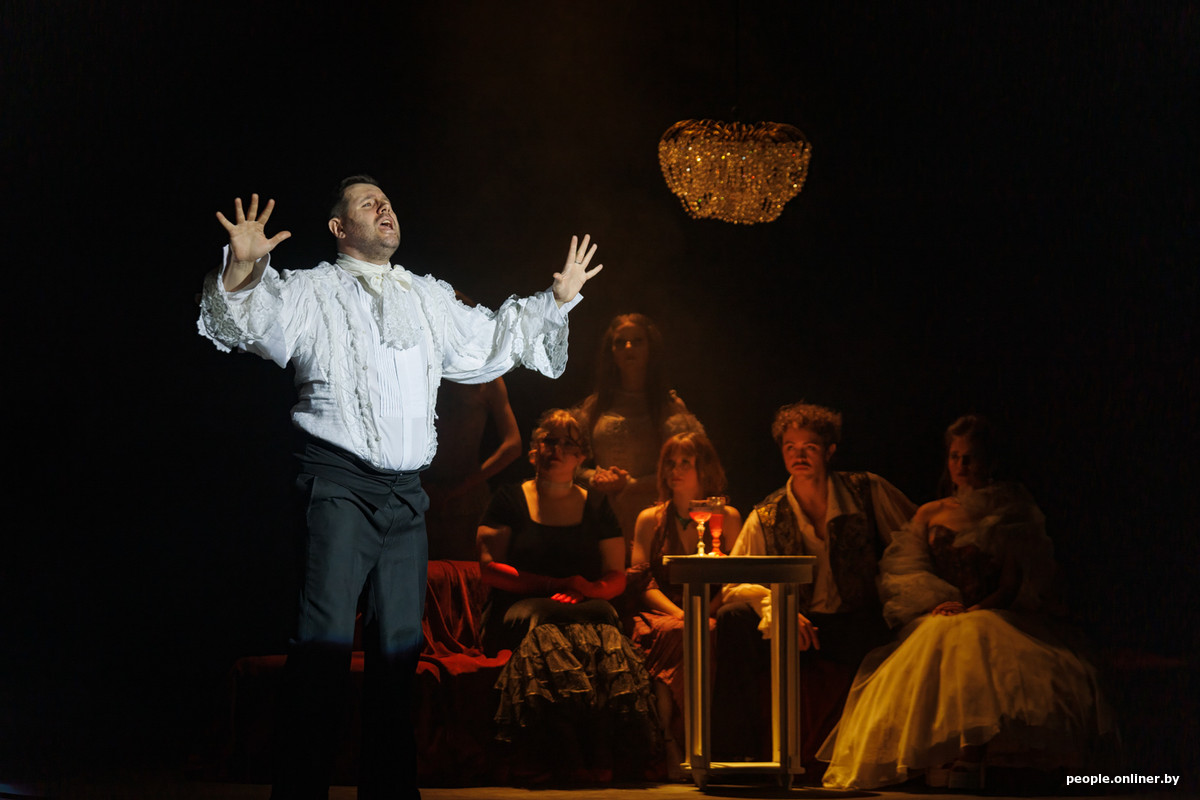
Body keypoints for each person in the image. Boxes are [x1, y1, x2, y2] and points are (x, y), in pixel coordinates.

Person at [196, 177, 603, 800]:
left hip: (406, 497)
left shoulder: (425, 295)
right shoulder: (311, 290)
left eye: (386, 201)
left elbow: (489, 342)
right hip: (337, 485)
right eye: (368, 203)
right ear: (338, 228)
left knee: (398, 652)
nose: (384, 207)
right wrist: (242, 268)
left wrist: (556, 301)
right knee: (323, 647)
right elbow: (248, 323)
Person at [818, 415, 1116, 790]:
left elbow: (1011, 582)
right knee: (937, 645)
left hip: (994, 611)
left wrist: (976, 609)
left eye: (970, 457)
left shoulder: (1011, 511)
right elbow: (909, 569)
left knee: (975, 641)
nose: (961, 465)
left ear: (989, 461)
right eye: (955, 456)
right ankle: (937, 754)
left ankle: (971, 753)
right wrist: (937, 602)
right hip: (944, 612)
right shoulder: (931, 512)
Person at [713, 402, 916, 767]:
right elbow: (733, 582)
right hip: (798, 628)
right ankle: (733, 751)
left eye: (809, 447)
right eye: (790, 447)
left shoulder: (865, 491)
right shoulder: (767, 515)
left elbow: (914, 539)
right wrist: (777, 608)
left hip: (855, 620)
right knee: (733, 618)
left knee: (888, 633)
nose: (799, 455)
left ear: (829, 450)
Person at [477, 409, 657, 781]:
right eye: (549, 441)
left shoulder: (597, 505)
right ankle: (560, 753)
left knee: (604, 621)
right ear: (534, 451)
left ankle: (604, 751)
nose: (556, 450)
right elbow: (489, 567)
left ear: (582, 456)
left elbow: (616, 576)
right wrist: (551, 585)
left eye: (567, 444)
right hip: (521, 608)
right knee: (547, 624)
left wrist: (589, 589)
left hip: (582, 606)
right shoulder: (508, 499)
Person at [627, 432, 742, 779]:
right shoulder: (649, 518)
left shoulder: (727, 517)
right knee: (682, 632)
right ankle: (675, 742)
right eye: (670, 463)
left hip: (709, 611)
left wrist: (703, 612)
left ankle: (694, 743)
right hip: (662, 612)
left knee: (705, 631)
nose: (674, 470)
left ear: (703, 468)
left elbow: (737, 576)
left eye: (685, 463)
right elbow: (641, 581)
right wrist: (681, 614)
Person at [575, 313, 704, 551]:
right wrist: (597, 478)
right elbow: (568, 463)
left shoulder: (669, 407)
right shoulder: (595, 407)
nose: (628, 347)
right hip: (601, 519)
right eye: (620, 342)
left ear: (650, 348)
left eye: (637, 341)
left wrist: (632, 484)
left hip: (654, 517)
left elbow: (692, 468)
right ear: (611, 351)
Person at [422, 298, 523, 560]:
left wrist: (462, 486)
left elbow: (513, 445)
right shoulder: (419, 366)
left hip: (465, 499)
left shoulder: (485, 375)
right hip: (419, 492)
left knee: (463, 575)